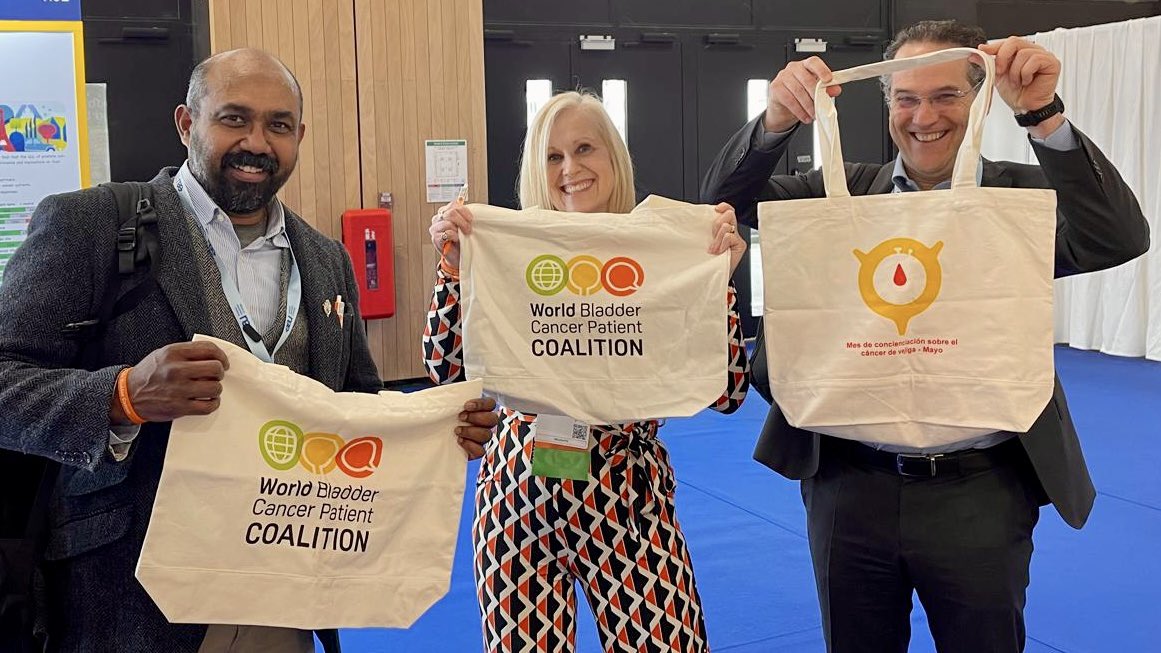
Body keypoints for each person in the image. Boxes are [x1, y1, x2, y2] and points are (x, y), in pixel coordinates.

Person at [0, 48, 499, 653]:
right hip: (130, 598)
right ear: (187, 124)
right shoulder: (92, 226)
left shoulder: (326, 261)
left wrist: (432, 431)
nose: (257, 142)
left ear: (300, 137)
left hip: (283, 595)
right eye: (234, 119)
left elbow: (355, 405)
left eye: (278, 125)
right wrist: (123, 395)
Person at [701, 20, 1149, 653]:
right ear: (887, 104)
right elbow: (719, 204)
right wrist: (775, 118)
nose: (924, 116)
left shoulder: (1016, 201)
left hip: (982, 489)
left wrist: (1044, 116)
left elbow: (1118, 238)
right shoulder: (841, 196)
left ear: (980, 98)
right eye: (906, 98)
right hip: (846, 485)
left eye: (946, 96)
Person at [423, 90, 749, 652]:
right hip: (519, 490)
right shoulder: (509, 247)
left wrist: (714, 278)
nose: (571, 169)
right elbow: (446, 368)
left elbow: (729, 393)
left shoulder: (665, 245)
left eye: (584, 149)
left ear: (613, 157)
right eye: (553, 157)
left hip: (629, 491)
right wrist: (454, 271)